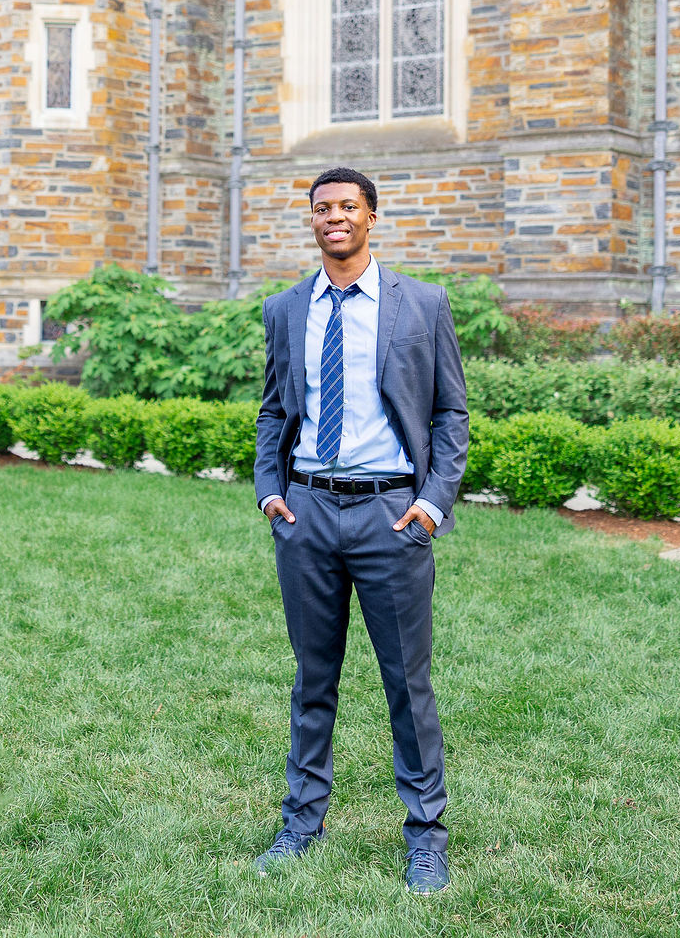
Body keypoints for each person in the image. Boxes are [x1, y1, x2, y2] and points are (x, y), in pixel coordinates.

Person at [251, 166, 470, 896]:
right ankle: (301, 822)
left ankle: (426, 836)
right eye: (322, 208)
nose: (334, 217)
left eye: (347, 206)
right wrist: (270, 492)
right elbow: (275, 412)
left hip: (390, 515)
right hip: (307, 513)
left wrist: (432, 503)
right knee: (314, 678)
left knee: (407, 683)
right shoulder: (286, 309)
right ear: (312, 219)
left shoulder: (423, 304)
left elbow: (450, 413)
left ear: (372, 216)